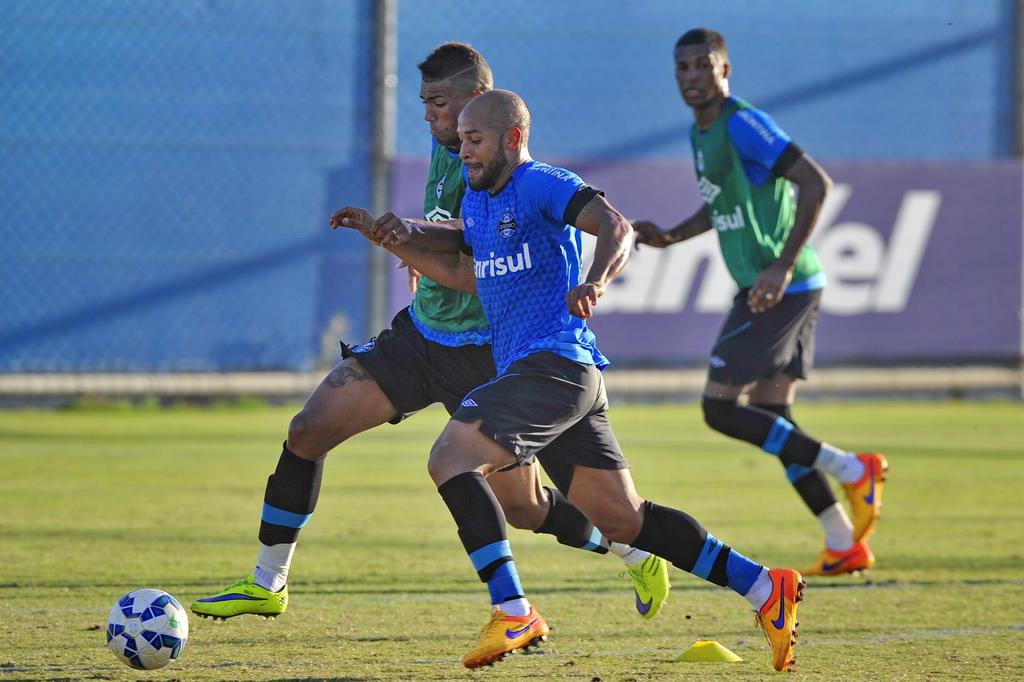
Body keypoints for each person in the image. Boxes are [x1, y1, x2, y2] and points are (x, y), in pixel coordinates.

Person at [190, 42, 669, 624]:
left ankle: (630, 549)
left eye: (439, 103)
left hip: (494, 355)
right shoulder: (450, 153)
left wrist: (411, 242)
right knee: (308, 428)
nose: (430, 116)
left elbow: (475, 271)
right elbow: (450, 241)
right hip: (421, 340)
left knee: (524, 507)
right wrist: (399, 238)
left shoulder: (507, 172)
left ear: (477, 104)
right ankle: (268, 581)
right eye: (425, 104)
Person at [344, 88, 805, 672]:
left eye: (475, 139)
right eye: (459, 141)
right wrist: (394, 234)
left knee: (451, 458)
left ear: (512, 139)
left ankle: (512, 610)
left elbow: (616, 226)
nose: (463, 151)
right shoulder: (481, 202)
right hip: (560, 379)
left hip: (554, 366)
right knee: (625, 520)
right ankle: (766, 588)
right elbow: (461, 255)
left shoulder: (540, 182)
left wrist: (598, 280)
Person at [633, 28, 888, 576]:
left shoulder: (743, 123)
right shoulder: (700, 133)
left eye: (704, 65)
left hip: (781, 287)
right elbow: (720, 204)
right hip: (777, 285)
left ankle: (852, 469)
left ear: (726, 71)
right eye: (683, 68)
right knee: (775, 415)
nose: (692, 76)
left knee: (719, 407)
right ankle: (842, 540)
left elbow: (815, 184)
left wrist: (781, 263)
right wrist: (673, 236)